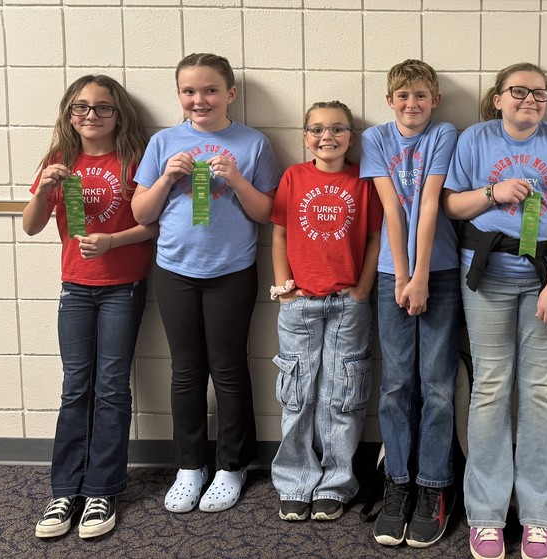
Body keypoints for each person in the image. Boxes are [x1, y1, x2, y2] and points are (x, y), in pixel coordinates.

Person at [443, 62, 547, 559]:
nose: (530, 100)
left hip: (546, 279)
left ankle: (539, 515)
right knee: (489, 389)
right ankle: (485, 513)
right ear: (498, 98)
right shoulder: (474, 139)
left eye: (539, 93)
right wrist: (492, 193)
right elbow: (452, 207)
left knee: (542, 394)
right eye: (518, 91)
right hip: (486, 281)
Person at [131, 53, 282, 514]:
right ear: (179, 96)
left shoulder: (253, 143)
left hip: (231, 270)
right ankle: (190, 465)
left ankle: (231, 465)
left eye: (211, 90)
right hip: (176, 269)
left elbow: (266, 213)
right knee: (185, 370)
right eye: (190, 92)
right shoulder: (164, 143)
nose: (200, 100)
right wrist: (166, 179)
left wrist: (236, 180)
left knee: (230, 369)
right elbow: (142, 212)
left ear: (230, 94)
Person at [24, 75, 154, 540]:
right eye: (81, 108)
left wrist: (114, 239)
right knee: (76, 386)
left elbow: (153, 224)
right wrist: (43, 189)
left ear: (119, 114)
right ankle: (65, 488)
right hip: (75, 286)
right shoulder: (60, 160)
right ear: (69, 114)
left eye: (102, 108)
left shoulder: (133, 160)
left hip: (123, 286)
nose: (91, 116)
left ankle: (103, 488)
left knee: (112, 386)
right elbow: (32, 226)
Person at [359, 59, 461, 548]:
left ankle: (434, 486)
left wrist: (420, 275)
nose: (411, 104)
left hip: (437, 272)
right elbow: (393, 208)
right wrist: (401, 274)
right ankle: (398, 481)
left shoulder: (443, 135)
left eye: (421, 95)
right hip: (391, 275)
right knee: (397, 382)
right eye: (402, 96)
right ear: (388, 100)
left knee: (438, 386)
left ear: (435, 100)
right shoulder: (375, 139)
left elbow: (428, 205)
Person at [270, 101, 382, 523]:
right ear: (304, 137)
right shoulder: (294, 178)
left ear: (351, 137)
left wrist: (362, 290)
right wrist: (286, 290)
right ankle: (296, 480)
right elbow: (279, 234)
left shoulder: (364, 181)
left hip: (347, 304)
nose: (327, 136)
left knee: (342, 396)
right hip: (299, 303)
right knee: (297, 394)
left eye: (337, 129)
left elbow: (374, 239)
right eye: (316, 129)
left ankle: (336, 482)